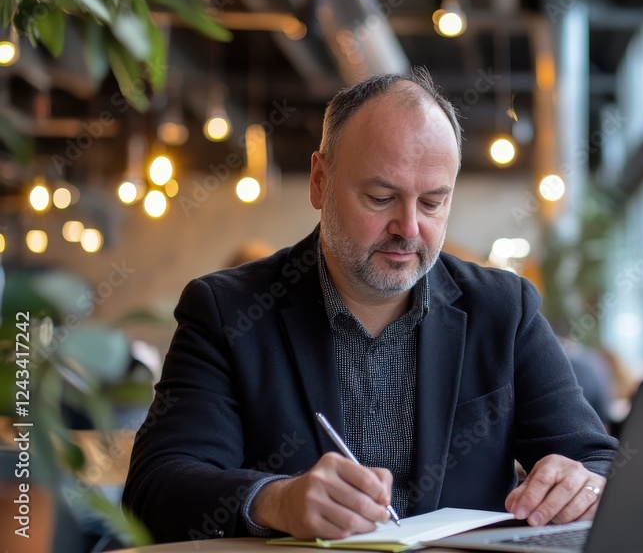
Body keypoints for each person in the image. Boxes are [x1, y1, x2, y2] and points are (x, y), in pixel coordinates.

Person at [122, 69, 617, 543]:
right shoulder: (229, 310)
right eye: (381, 197)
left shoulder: (504, 310)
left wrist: (586, 484)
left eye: (432, 203)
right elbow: (154, 487)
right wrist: (274, 501)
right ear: (320, 180)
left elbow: (598, 459)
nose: (409, 228)